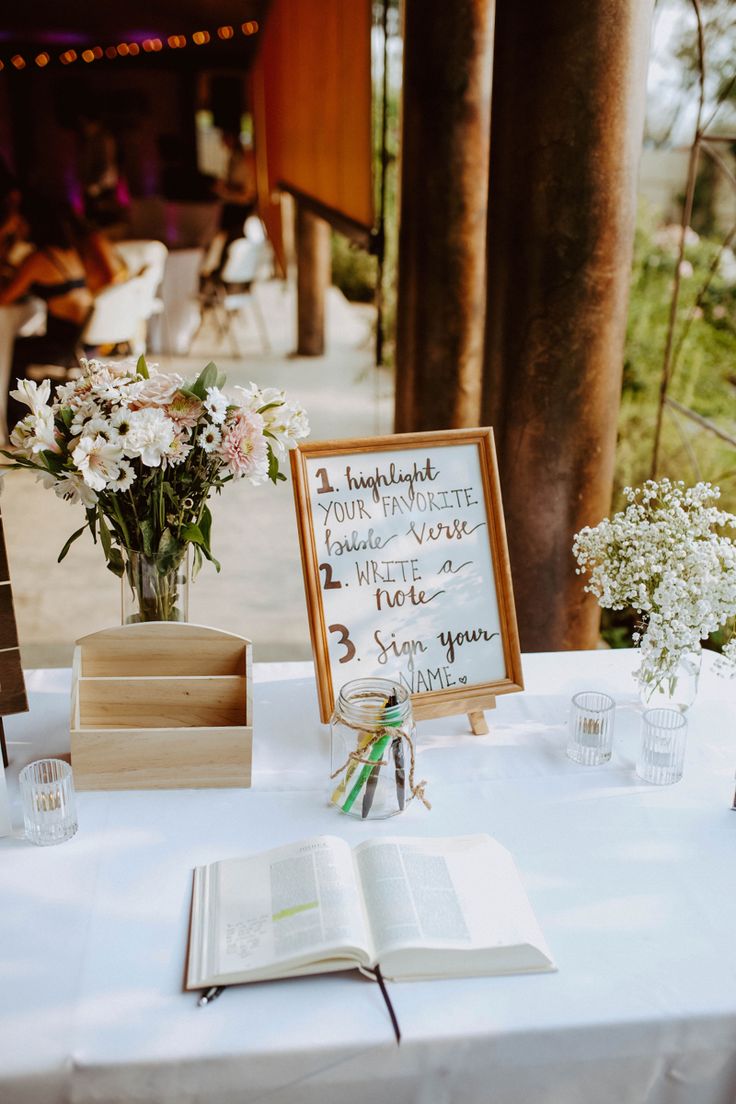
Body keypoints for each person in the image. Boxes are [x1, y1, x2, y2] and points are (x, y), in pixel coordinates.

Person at [0, 198, 93, 429]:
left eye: (21, 222)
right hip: (71, 339)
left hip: (56, 345)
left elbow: (4, 297)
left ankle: (15, 421)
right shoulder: (67, 252)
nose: (18, 227)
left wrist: (4, 235)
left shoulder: (39, 259)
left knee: (9, 350)